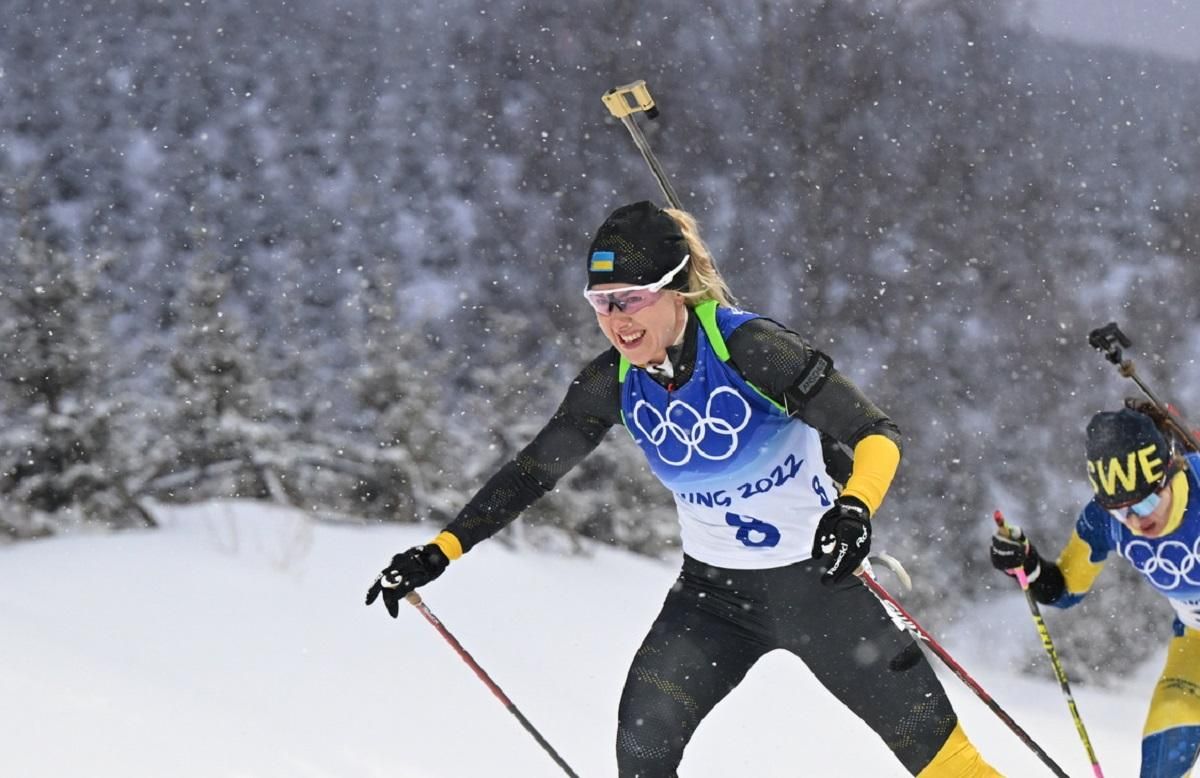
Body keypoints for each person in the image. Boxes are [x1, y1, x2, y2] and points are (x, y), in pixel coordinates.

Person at [368, 201, 999, 776]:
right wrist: (440, 551)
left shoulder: (751, 347)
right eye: (601, 303)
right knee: (641, 755)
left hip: (820, 590)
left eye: (631, 299)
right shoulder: (612, 382)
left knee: (949, 766)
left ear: (675, 289)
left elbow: (874, 432)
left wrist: (855, 509)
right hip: (713, 601)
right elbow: (533, 471)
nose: (617, 320)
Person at [990, 407, 1200, 777]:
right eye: (1122, 511)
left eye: (1147, 502)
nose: (1137, 519)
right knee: (1162, 759)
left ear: (1170, 473)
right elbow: (1065, 589)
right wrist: (1027, 564)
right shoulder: (1105, 522)